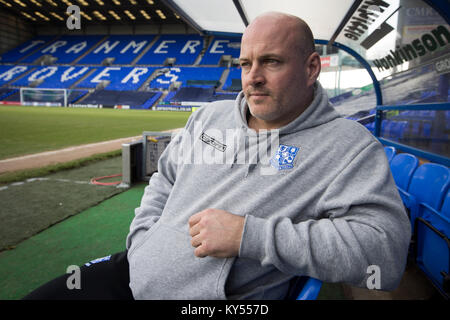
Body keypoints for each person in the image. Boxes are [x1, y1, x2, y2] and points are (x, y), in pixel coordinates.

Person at [24, 11, 411, 300]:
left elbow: (383, 253)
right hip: (133, 270)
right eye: (246, 63)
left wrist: (249, 235)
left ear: (311, 68)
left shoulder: (348, 146)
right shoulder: (210, 116)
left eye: (271, 62)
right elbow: (165, 178)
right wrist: (142, 238)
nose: (252, 77)